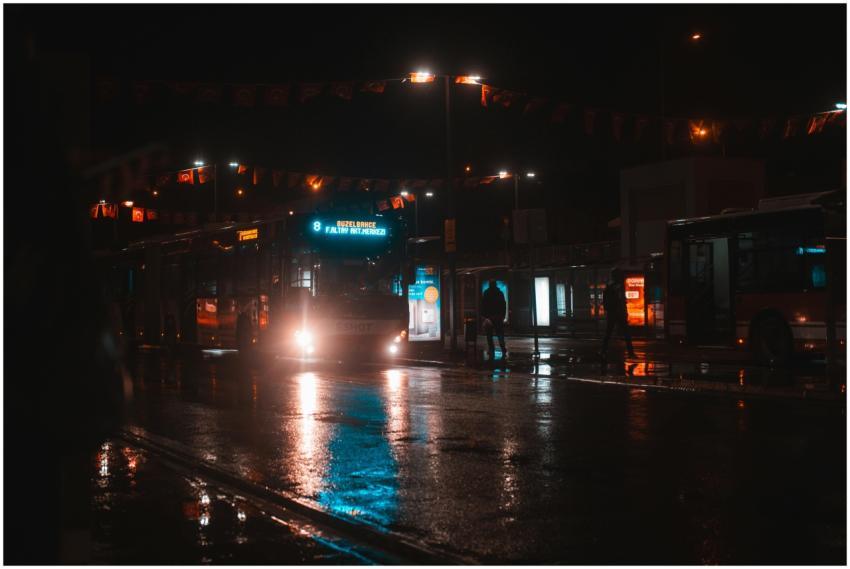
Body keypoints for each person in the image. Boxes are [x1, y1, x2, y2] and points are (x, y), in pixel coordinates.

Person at [601, 268, 636, 358]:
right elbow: (622, 301)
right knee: (626, 334)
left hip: (612, 313)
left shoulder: (609, 286)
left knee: (608, 333)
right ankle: (631, 353)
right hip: (618, 313)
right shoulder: (618, 286)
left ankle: (603, 351)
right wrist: (625, 312)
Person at [480, 279, 508, 361]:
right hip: (498, 317)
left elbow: (483, 305)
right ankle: (503, 349)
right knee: (500, 334)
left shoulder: (486, 293)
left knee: (489, 335)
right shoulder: (500, 293)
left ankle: (491, 350)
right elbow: (504, 305)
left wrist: (484, 316)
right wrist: (502, 315)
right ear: (496, 285)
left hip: (489, 317)